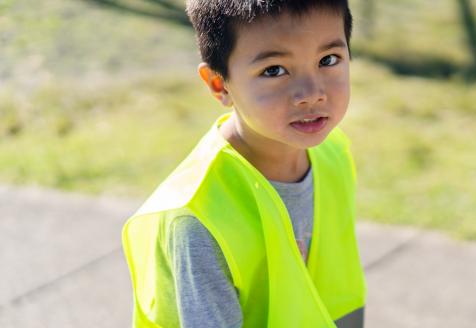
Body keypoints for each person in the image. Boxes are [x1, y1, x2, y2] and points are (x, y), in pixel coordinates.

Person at [121, 0, 367, 327]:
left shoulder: (333, 155)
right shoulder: (198, 218)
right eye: (274, 70)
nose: (311, 93)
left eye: (328, 60)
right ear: (219, 84)